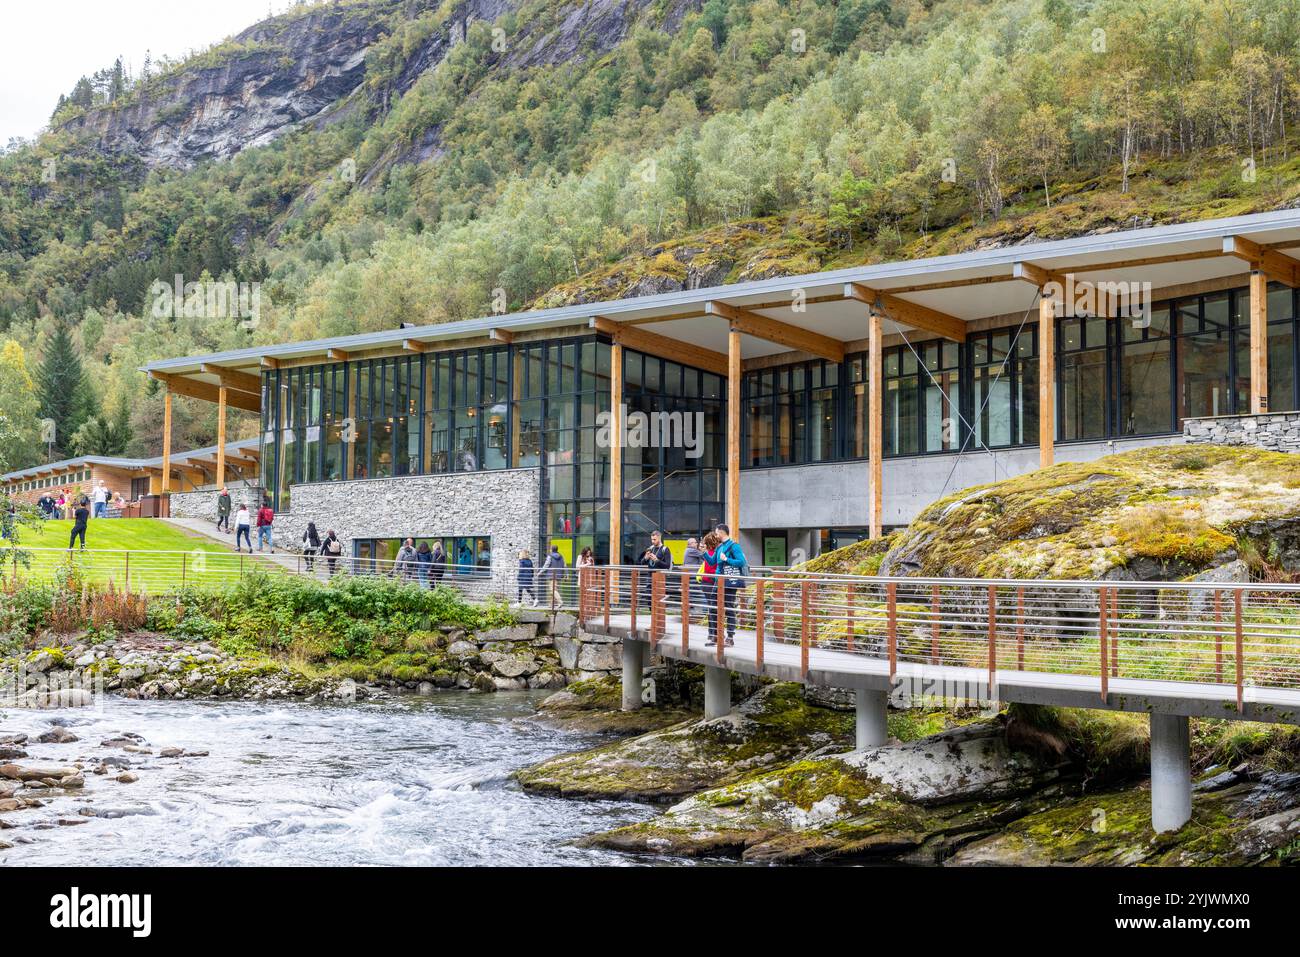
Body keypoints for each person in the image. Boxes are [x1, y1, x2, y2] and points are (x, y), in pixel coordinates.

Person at [712, 524, 749, 646]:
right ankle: (717, 635)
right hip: (719, 581)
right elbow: (713, 562)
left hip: (729, 581)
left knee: (728, 607)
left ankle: (730, 636)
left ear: (722, 533)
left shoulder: (734, 546)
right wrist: (704, 553)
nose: (715, 536)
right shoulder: (719, 547)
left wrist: (727, 559)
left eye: (717, 533)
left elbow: (741, 562)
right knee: (714, 606)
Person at [639, 530, 673, 610]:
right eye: (652, 539)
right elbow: (642, 563)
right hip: (650, 576)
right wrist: (645, 558)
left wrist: (657, 560)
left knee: (658, 597)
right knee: (648, 595)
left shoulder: (665, 549)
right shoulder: (651, 548)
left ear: (659, 538)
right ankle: (652, 613)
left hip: (659, 578)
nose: (653, 541)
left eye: (655, 539)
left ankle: (657, 615)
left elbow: (667, 565)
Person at [699, 531, 721, 643]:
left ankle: (711, 633)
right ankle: (713, 633)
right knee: (713, 608)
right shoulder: (715, 553)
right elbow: (711, 569)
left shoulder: (709, 553)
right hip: (711, 583)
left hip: (706, 583)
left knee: (711, 607)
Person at [682, 536, 708, 615]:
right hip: (693, 576)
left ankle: (689, 611)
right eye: (695, 543)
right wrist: (704, 548)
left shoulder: (689, 550)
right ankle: (705, 611)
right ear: (690, 544)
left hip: (690, 575)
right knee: (702, 592)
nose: (697, 544)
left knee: (691, 593)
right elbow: (704, 555)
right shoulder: (691, 550)